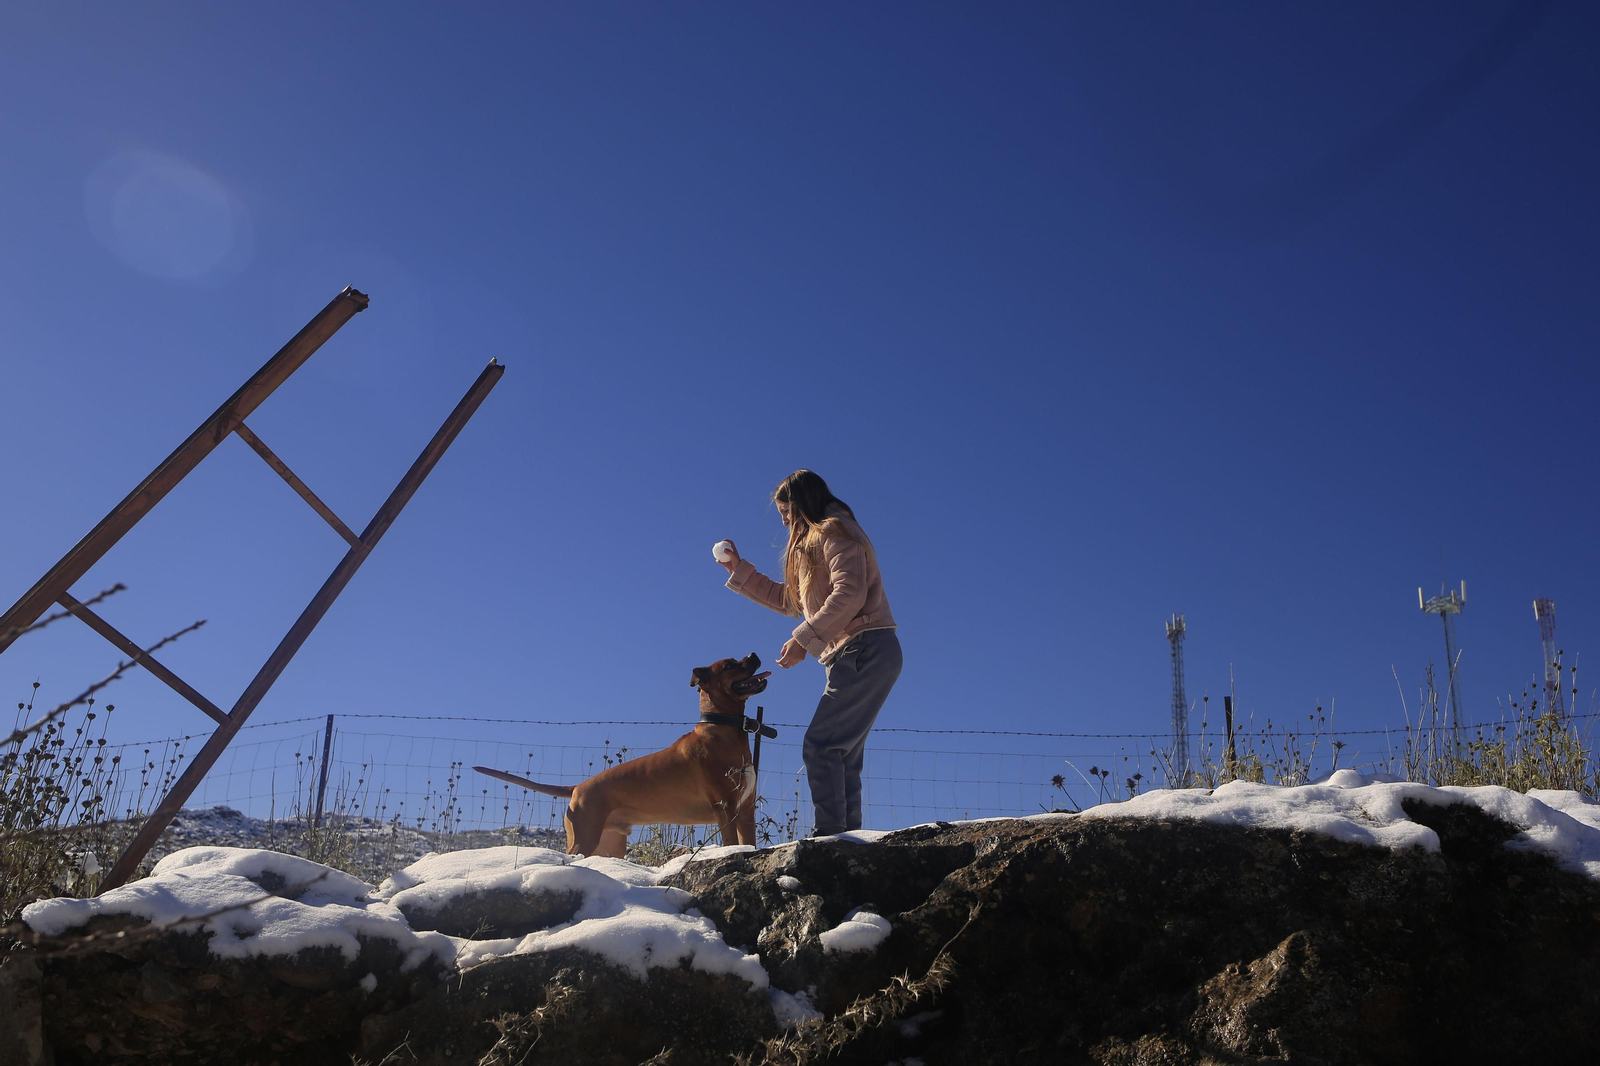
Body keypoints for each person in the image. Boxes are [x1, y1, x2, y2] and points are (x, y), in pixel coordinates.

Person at [716, 470, 901, 837]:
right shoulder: (813, 544)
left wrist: (804, 639)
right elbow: (790, 600)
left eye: (787, 512)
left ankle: (831, 837)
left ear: (802, 505)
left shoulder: (834, 531)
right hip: (858, 652)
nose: (785, 521)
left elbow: (850, 592)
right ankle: (848, 841)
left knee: (821, 746)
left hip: (865, 647)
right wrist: (740, 571)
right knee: (842, 755)